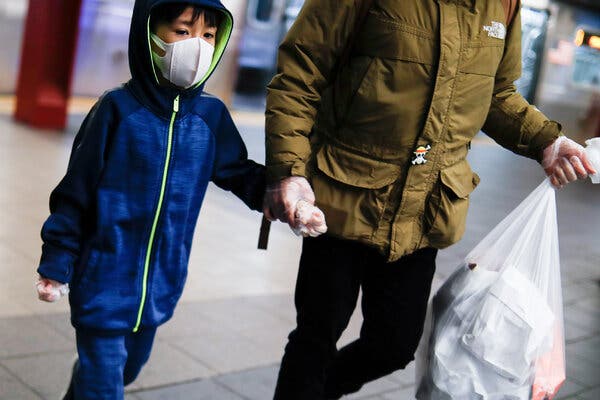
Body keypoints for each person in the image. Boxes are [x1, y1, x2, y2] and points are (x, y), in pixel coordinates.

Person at [262, 1, 597, 399]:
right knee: (315, 337)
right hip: (342, 193)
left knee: (394, 345)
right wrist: (290, 170)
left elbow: (495, 93)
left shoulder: (503, 5)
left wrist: (547, 141)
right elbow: (301, 73)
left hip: (423, 210)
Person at [35, 1, 266, 398]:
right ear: (150, 35)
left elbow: (237, 171)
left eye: (208, 35)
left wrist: (282, 193)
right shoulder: (117, 110)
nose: (197, 45)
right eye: (181, 31)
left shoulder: (210, 116)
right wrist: (58, 258)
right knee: (105, 384)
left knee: (123, 371)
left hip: (160, 284)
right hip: (102, 278)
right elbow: (76, 191)